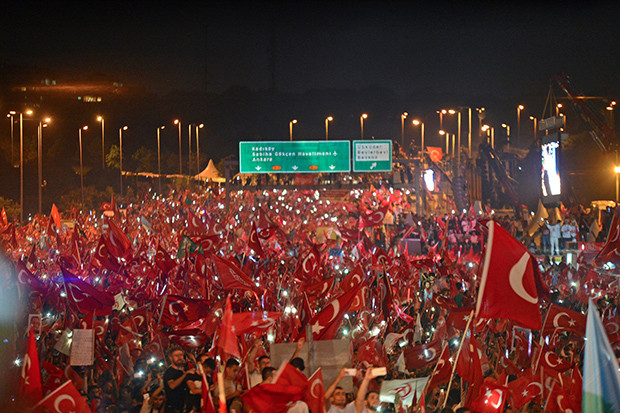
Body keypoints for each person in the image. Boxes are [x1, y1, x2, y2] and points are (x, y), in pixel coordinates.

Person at [163, 347, 193, 413]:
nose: (179, 358)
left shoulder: (181, 371)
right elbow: (172, 385)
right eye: (176, 356)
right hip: (173, 409)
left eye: (181, 355)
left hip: (182, 407)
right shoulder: (169, 372)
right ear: (171, 358)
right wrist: (185, 375)